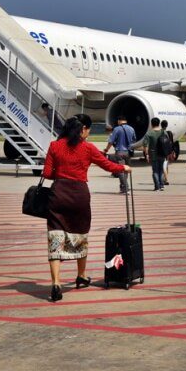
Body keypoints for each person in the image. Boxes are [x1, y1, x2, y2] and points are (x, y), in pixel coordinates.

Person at [42, 114, 131, 302]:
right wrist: (124, 168)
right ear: (82, 129)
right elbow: (107, 165)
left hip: (58, 194)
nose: (88, 133)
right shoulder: (88, 148)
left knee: (55, 236)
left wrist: (62, 173)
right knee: (80, 234)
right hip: (79, 196)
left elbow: (47, 173)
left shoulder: (54, 146)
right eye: (88, 130)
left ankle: (56, 282)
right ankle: (81, 275)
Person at [103, 115, 137, 194]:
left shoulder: (117, 129)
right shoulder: (131, 129)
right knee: (126, 170)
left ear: (119, 121)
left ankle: (125, 188)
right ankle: (123, 188)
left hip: (120, 152)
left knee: (121, 170)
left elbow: (111, 141)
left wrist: (106, 149)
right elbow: (134, 139)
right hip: (128, 152)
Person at [142, 117, 165, 191]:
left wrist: (146, 154)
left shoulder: (149, 133)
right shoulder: (164, 132)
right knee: (161, 170)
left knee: (155, 171)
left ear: (151, 124)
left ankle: (157, 186)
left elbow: (145, 145)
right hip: (162, 153)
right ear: (159, 123)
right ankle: (162, 185)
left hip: (153, 154)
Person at [160, 120, 175, 186]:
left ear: (161, 125)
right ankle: (165, 178)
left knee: (163, 167)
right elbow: (171, 142)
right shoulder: (169, 133)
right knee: (166, 166)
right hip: (168, 151)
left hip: (161, 152)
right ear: (167, 125)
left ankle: (166, 180)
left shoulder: (160, 132)